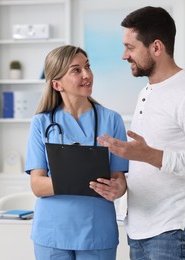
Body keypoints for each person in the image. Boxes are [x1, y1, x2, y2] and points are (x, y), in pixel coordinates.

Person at [90, 6, 185, 260]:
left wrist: (150, 155)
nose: (124, 55)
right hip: (140, 230)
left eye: (131, 47)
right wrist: (122, 186)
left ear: (156, 47)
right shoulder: (147, 92)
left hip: (174, 232)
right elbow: (149, 166)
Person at [25, 45, 128, 260]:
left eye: (88, 67)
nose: (87, 75)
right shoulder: (41, 122)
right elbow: (37, 185)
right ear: (56, 84)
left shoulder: (112, 120)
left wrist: (116, 189)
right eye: (76, 70)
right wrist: (87, 179)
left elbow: (119, 180)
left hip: (97, 231)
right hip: (52, 232)